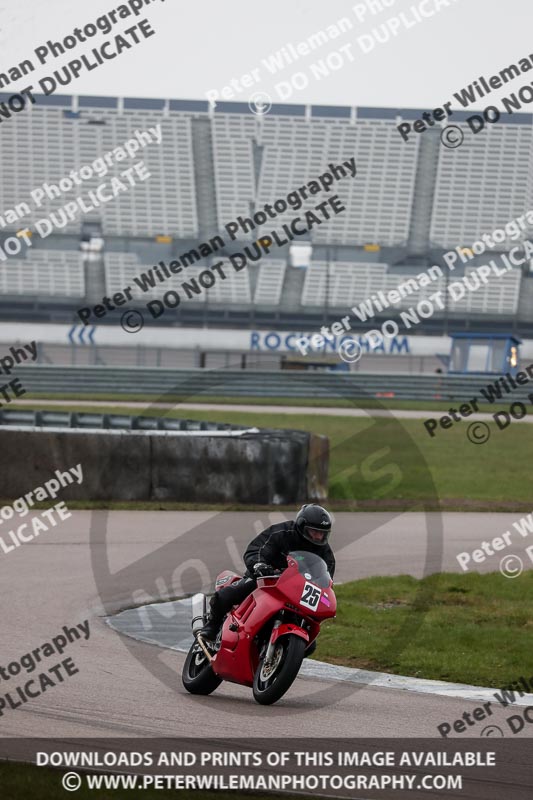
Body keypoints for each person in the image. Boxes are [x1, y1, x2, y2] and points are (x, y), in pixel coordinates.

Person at [199, 504, 336, 641]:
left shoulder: (325, 552)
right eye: (314, 531)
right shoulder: (281, 533)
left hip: (295, 590)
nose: (318, 536)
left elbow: (326, 578)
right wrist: (259, 564)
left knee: (310, 642)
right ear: (301, 526)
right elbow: (257, 548)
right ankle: (212, 626)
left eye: (322, 533)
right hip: (266, 579)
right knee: (225, 596)